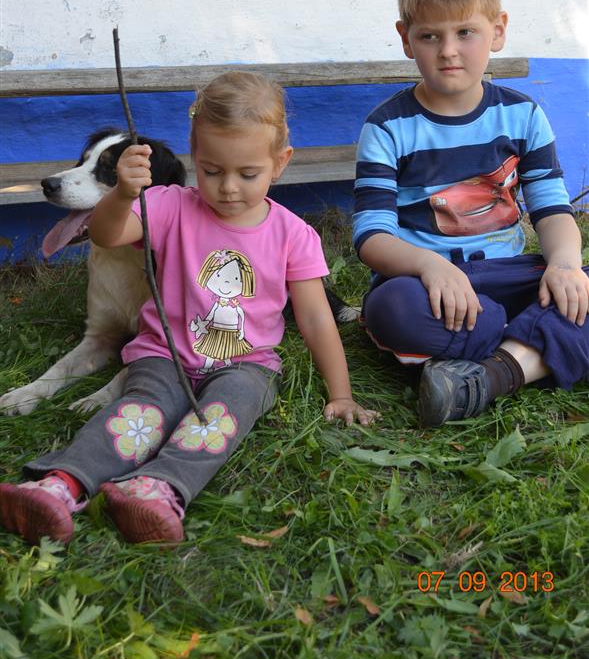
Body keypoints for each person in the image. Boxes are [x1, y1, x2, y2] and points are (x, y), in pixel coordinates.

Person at [0, 71, 378, 545]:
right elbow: (108, 235)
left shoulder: (293, 234)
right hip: (164, 357)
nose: (228, 187)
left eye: (247, 174)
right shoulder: (169, 205)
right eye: (212, 171)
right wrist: (121, 195)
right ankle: (61, 483)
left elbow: (317, 318)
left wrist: (340, 394)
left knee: (219, 420)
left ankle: (158, 488)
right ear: (194, 156)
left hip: (246, 367)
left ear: (280, 163)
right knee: (139, 413)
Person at [353, 0, 589, 428]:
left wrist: (564, 265)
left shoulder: (522, 115)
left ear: (497, 30)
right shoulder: (387, 128)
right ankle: (533, 347)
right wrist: (430, 266)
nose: (448, 50)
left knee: (577, 285)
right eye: (429, 35)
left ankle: (491, 373)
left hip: (508, 274)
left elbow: (551, 209)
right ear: (405, 38)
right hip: (424, 284)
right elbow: (371, 236)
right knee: (391, 309)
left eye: (465, 32)